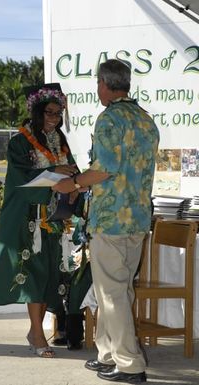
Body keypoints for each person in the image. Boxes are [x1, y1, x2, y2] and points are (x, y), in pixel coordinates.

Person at [53, 59, 159, 382]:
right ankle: (108, 353)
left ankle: (130, 365)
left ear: (105, 84)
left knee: (111, 294)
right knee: (118, 291)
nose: (96, 88)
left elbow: (104, 170)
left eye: (98, 83)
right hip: (138, 220)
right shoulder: (146, 121)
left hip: (111, 220)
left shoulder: (109, 119)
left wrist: (70, 185)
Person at [0, 83, 80, 358]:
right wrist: (55, 172)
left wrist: (75, 186)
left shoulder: (59, 140)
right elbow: (21, 178)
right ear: (37, 112)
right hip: (26, 218)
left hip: (52, 218)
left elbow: (71, 168)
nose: (54, 118)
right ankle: (37, 332)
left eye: (58, 113)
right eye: (49, 113)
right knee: (30, 275)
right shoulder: (20, 142)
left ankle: (35, 330)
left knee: (46, 276)